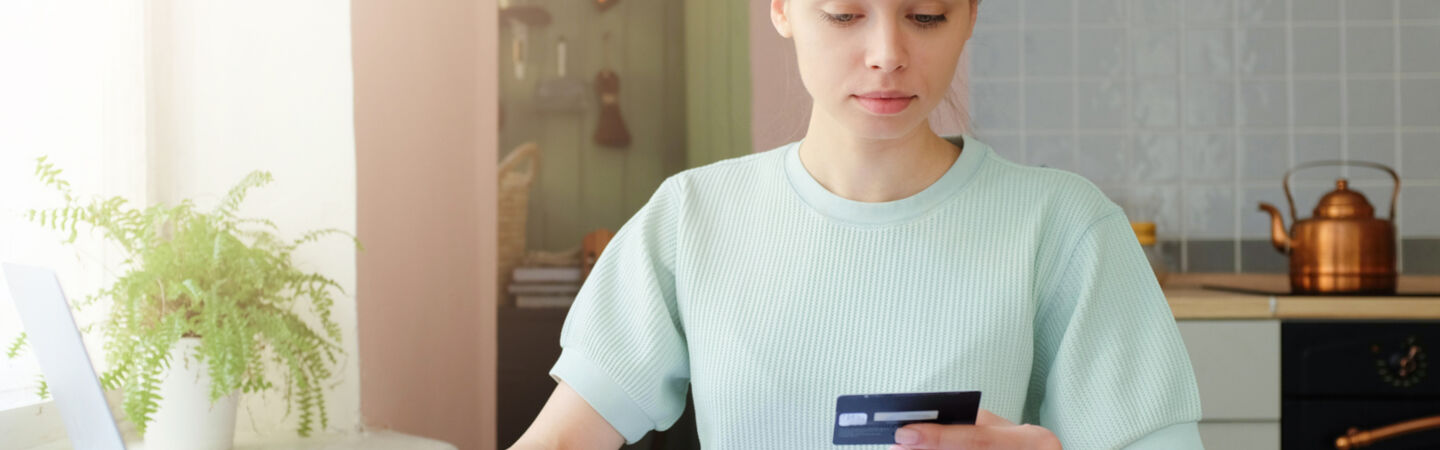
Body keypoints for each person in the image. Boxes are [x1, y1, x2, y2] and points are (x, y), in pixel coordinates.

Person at [509, 0, 1204, 448]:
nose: (886, 53)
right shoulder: (691, 219)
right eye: (845, 14)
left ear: (970, 14)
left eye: (925, 16)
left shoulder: (1064, 228)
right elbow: (564, 439)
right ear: (781, 8)